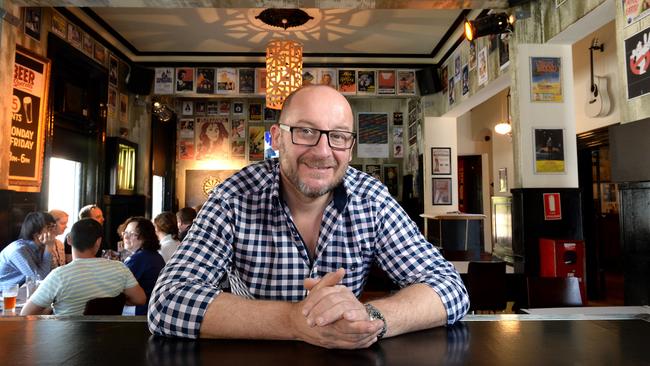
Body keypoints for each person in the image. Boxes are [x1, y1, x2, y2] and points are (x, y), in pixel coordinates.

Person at [148, 85, 468, 349]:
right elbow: (166, 302)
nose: (323, 151)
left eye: (339, 136)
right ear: (277, 137)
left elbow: (449, 286)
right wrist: (294, 320)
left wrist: (367, 318)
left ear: (350, 147)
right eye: (305, 131)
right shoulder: (233, 198)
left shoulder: (371, 199)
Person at [20, 219, 146, 316]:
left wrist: (52, 306)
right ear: (98, 242)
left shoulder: (59, 275)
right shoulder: (120, 268)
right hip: (108, 340)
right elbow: (140, 299)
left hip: (66, 345)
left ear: (69, 240)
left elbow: (26, 314)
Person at [122, 217, 166, 315]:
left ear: (145, 237)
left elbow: (120, 287)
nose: (126, 237)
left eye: (132, 234)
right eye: (125, 233)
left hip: (143, 310)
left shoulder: (139, 258)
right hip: (156, 308)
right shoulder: (155, 255)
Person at [0, 212, 56, 287]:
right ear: (36, 232)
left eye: (54, 226)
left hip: (22, 290)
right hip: (5, 294)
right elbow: (39, 279)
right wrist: (49, 247)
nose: (54, 230)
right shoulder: (18, 250)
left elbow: (52, 273)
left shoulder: (41, 246)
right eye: (49, 227)